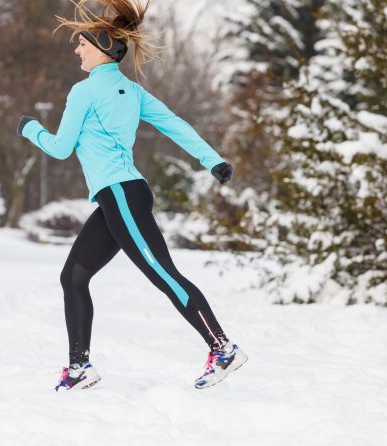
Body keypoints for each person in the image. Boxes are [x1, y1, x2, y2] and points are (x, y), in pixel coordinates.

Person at [16, 0, 246, 390]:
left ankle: (222, 348)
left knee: (163, 274)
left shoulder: (84, 91)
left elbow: (59, 147)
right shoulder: (133, 91)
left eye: (83, 44)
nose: (77, 50)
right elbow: (175, 124)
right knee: (73, 276)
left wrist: (30, 128)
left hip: (120, 194)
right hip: (119, 196)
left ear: (104, 47)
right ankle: (78, 369)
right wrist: (213, 160)